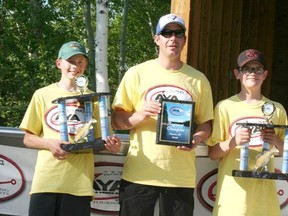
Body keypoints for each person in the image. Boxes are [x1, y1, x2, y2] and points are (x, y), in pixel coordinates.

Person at [111, 14, 214, 216]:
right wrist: (138, 116)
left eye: (178, 33)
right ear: (157, 39)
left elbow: (206, 125)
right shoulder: (136, 73)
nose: (173, 38)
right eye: (167, 33)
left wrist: (195, 139)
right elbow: (116, 120)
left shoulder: (198, 79)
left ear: (184, 40)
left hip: (180, 176)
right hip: (140, 173)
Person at [19, 41, 122, 216]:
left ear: (86, 65)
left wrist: (113, 146)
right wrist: (49, 143)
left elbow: (102, 140)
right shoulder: (42, 95)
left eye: (80, 61)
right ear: (59, 63)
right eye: (71, 61)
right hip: (46, 182)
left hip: (79, 185)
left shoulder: (93, 99)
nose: (75, 66)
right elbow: (28, 138)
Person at [207, 49, 288, 216]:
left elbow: (286, 151)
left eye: (258, 69)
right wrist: (234, 141)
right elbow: (213, 154)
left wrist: (275, 140)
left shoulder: (277, 109)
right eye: (247, 69)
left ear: (265, 74)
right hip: (233, 198)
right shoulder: (224, 107)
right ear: (237, 74)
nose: (253, 73)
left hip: (264, 199)